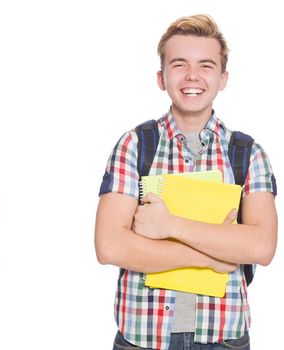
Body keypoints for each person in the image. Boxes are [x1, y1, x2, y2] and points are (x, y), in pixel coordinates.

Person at [95, 14, 276, 350]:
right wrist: (213, 256)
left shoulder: (248, 153)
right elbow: (110, 247)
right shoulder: (135, 146)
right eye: (179, 65)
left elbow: (262, 247)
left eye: (206, 66)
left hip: (223, 339)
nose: (193, 76)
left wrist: (169, 225)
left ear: (223, 78)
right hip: (144, 339)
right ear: (161, 77)